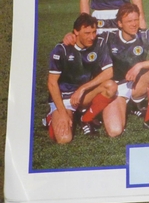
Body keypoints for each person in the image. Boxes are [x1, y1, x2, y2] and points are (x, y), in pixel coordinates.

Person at [46, 13, 117, 143]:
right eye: (87, 33)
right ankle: (51, 118)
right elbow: (51, 83)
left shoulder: (99, 44)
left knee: (110, 86)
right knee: (64, 139)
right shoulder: (61, 50)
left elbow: (109, 72)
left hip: (83, 95)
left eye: (94, 32)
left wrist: (82, 89)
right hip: (64, 99)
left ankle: (86, 118)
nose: (92, 37)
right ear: (76, 32)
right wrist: (62, 113)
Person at [102, 3, 149, 134]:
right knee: (115, 131)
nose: (134, 24)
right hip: (115, 88)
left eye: (136, 20)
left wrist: (139, 65)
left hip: (136, 85)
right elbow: (83, 41)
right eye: (129, 21)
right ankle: (125, 106)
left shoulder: (144, 35)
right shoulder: (108, 38)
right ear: (120, 24)